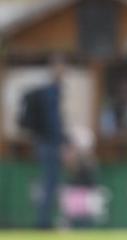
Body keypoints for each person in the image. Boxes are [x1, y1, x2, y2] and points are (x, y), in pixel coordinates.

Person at [21, 55, 68, 229]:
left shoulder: (55, 91)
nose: (62, 72)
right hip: (48, 143)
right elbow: (53, 123)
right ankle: (43, 222)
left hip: (49, 143)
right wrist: (61, 141)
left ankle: (47, 219)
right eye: (60, 68)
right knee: (49, 182)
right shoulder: (48, 93)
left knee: (52, 183)